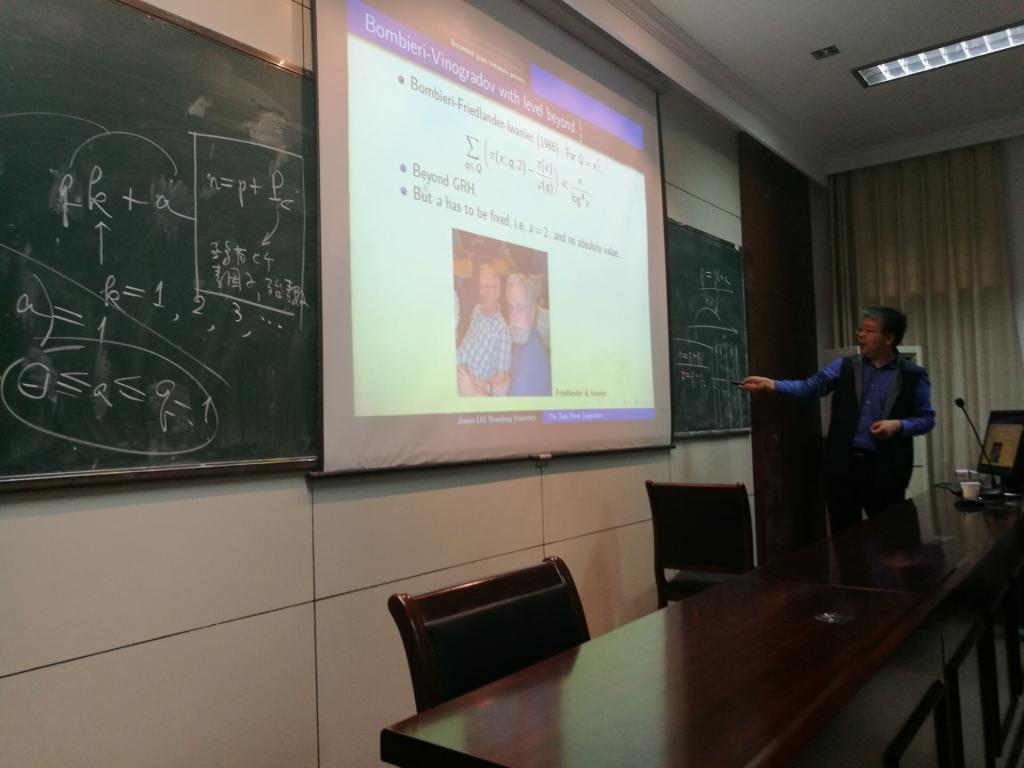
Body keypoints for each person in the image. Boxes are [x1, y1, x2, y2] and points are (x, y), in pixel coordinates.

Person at [740, 306, 935, 534]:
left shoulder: (912, 375)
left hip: (886, 470)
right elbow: (809, 388)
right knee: (844, 538)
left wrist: (898, 425)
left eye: (869, 330)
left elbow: (926, 419)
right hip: (842, 467)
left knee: (890, 537)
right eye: (860, 329)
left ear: (889, 338)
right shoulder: (844, 366)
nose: (860, 335)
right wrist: (772, 384)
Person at [456, 262, 510, 396]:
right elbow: (467, 341)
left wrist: (477, 385)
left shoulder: (503, 331)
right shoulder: (477, 310)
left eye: (487, 287)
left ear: (497, 291)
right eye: (481, 286)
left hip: (467, 387)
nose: (483, 292)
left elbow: (501, 378)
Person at [504, 273, 551, 396]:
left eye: (520, 308)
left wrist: (473, 392)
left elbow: (513, 407)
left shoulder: (532, 355)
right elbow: (511, 386)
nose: (514, 318)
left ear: (532, 312)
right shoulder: (521, 339)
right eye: (511, 308)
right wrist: (486, 386)